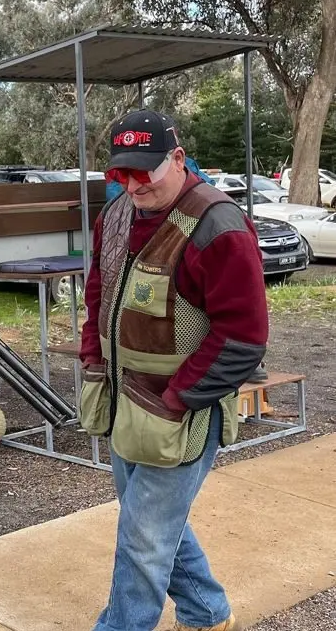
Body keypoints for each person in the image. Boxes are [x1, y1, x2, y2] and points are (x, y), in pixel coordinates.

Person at [79, 109, 268, 631]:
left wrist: (179, 398)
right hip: (124, 403)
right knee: (153, 525)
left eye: (146, 170)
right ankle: (208, 613)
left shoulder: (219, 225)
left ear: (178, 159)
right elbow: (99, 294)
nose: (134, 184)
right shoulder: (114, 217)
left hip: (179, 414)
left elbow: (245, 336)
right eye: (122, 174)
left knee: (143, 537)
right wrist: (92, 359)